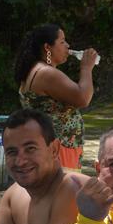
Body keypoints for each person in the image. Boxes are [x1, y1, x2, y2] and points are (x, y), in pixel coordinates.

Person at [14, 24, 97, 172]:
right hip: (60, 149)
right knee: (64, 186)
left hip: (51, 146)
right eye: (62, 41)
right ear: (47, 47)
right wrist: (86, 67)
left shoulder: (33, 70)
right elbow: (83, 98)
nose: (68, 45)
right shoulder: (46, 73)